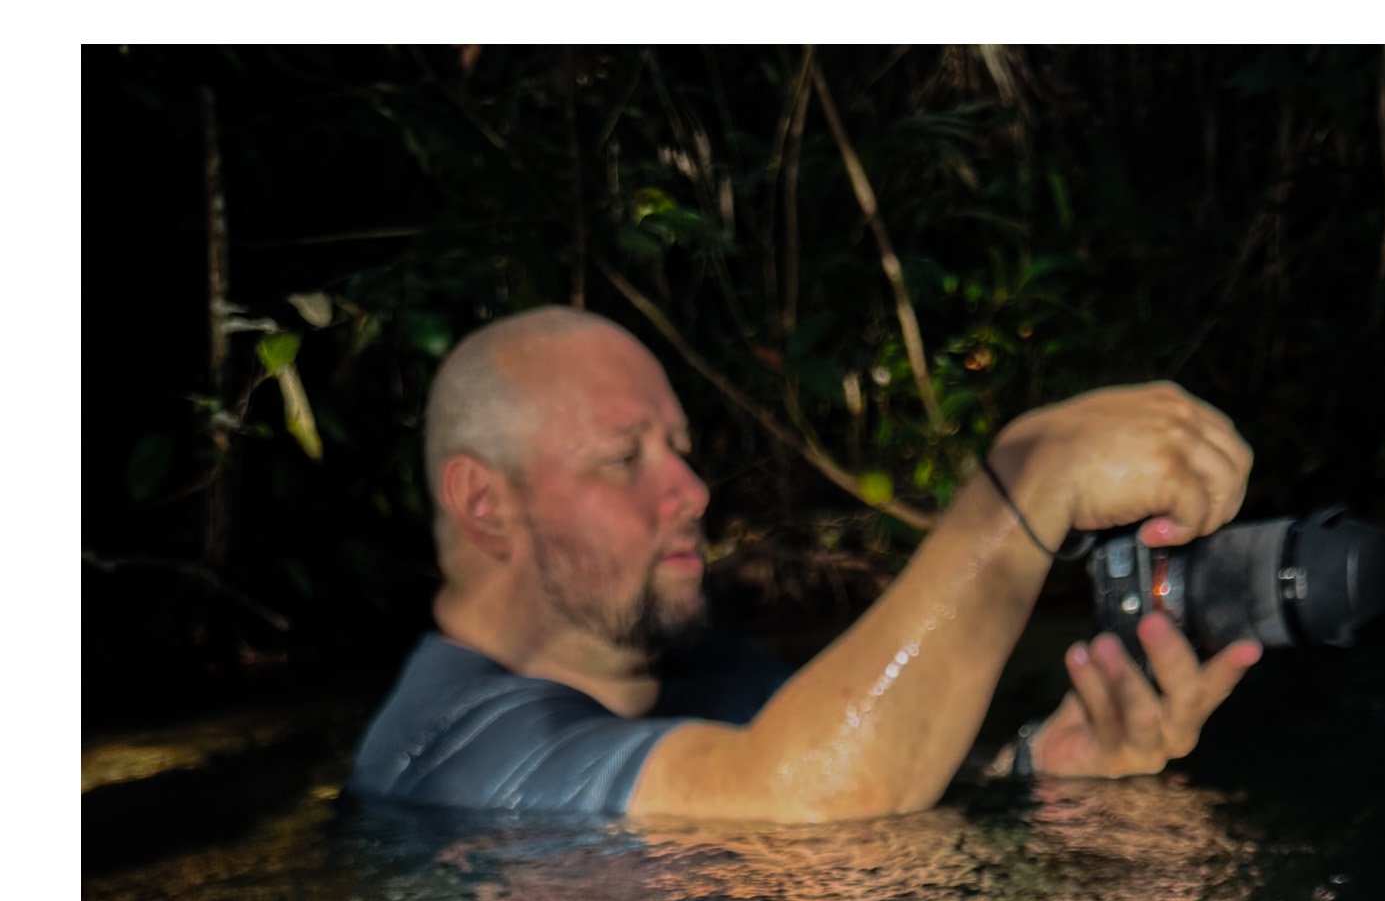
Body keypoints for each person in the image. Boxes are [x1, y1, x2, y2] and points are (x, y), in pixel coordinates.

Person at [349, 306, 1263, 825]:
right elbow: (810, 799)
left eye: (680, 450)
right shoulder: (447, 753)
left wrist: (1045, 770)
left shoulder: (721, 678)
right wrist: (1025, 488)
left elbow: (850, 772)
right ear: (485, 504)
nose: (692, 491)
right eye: (624, 458)